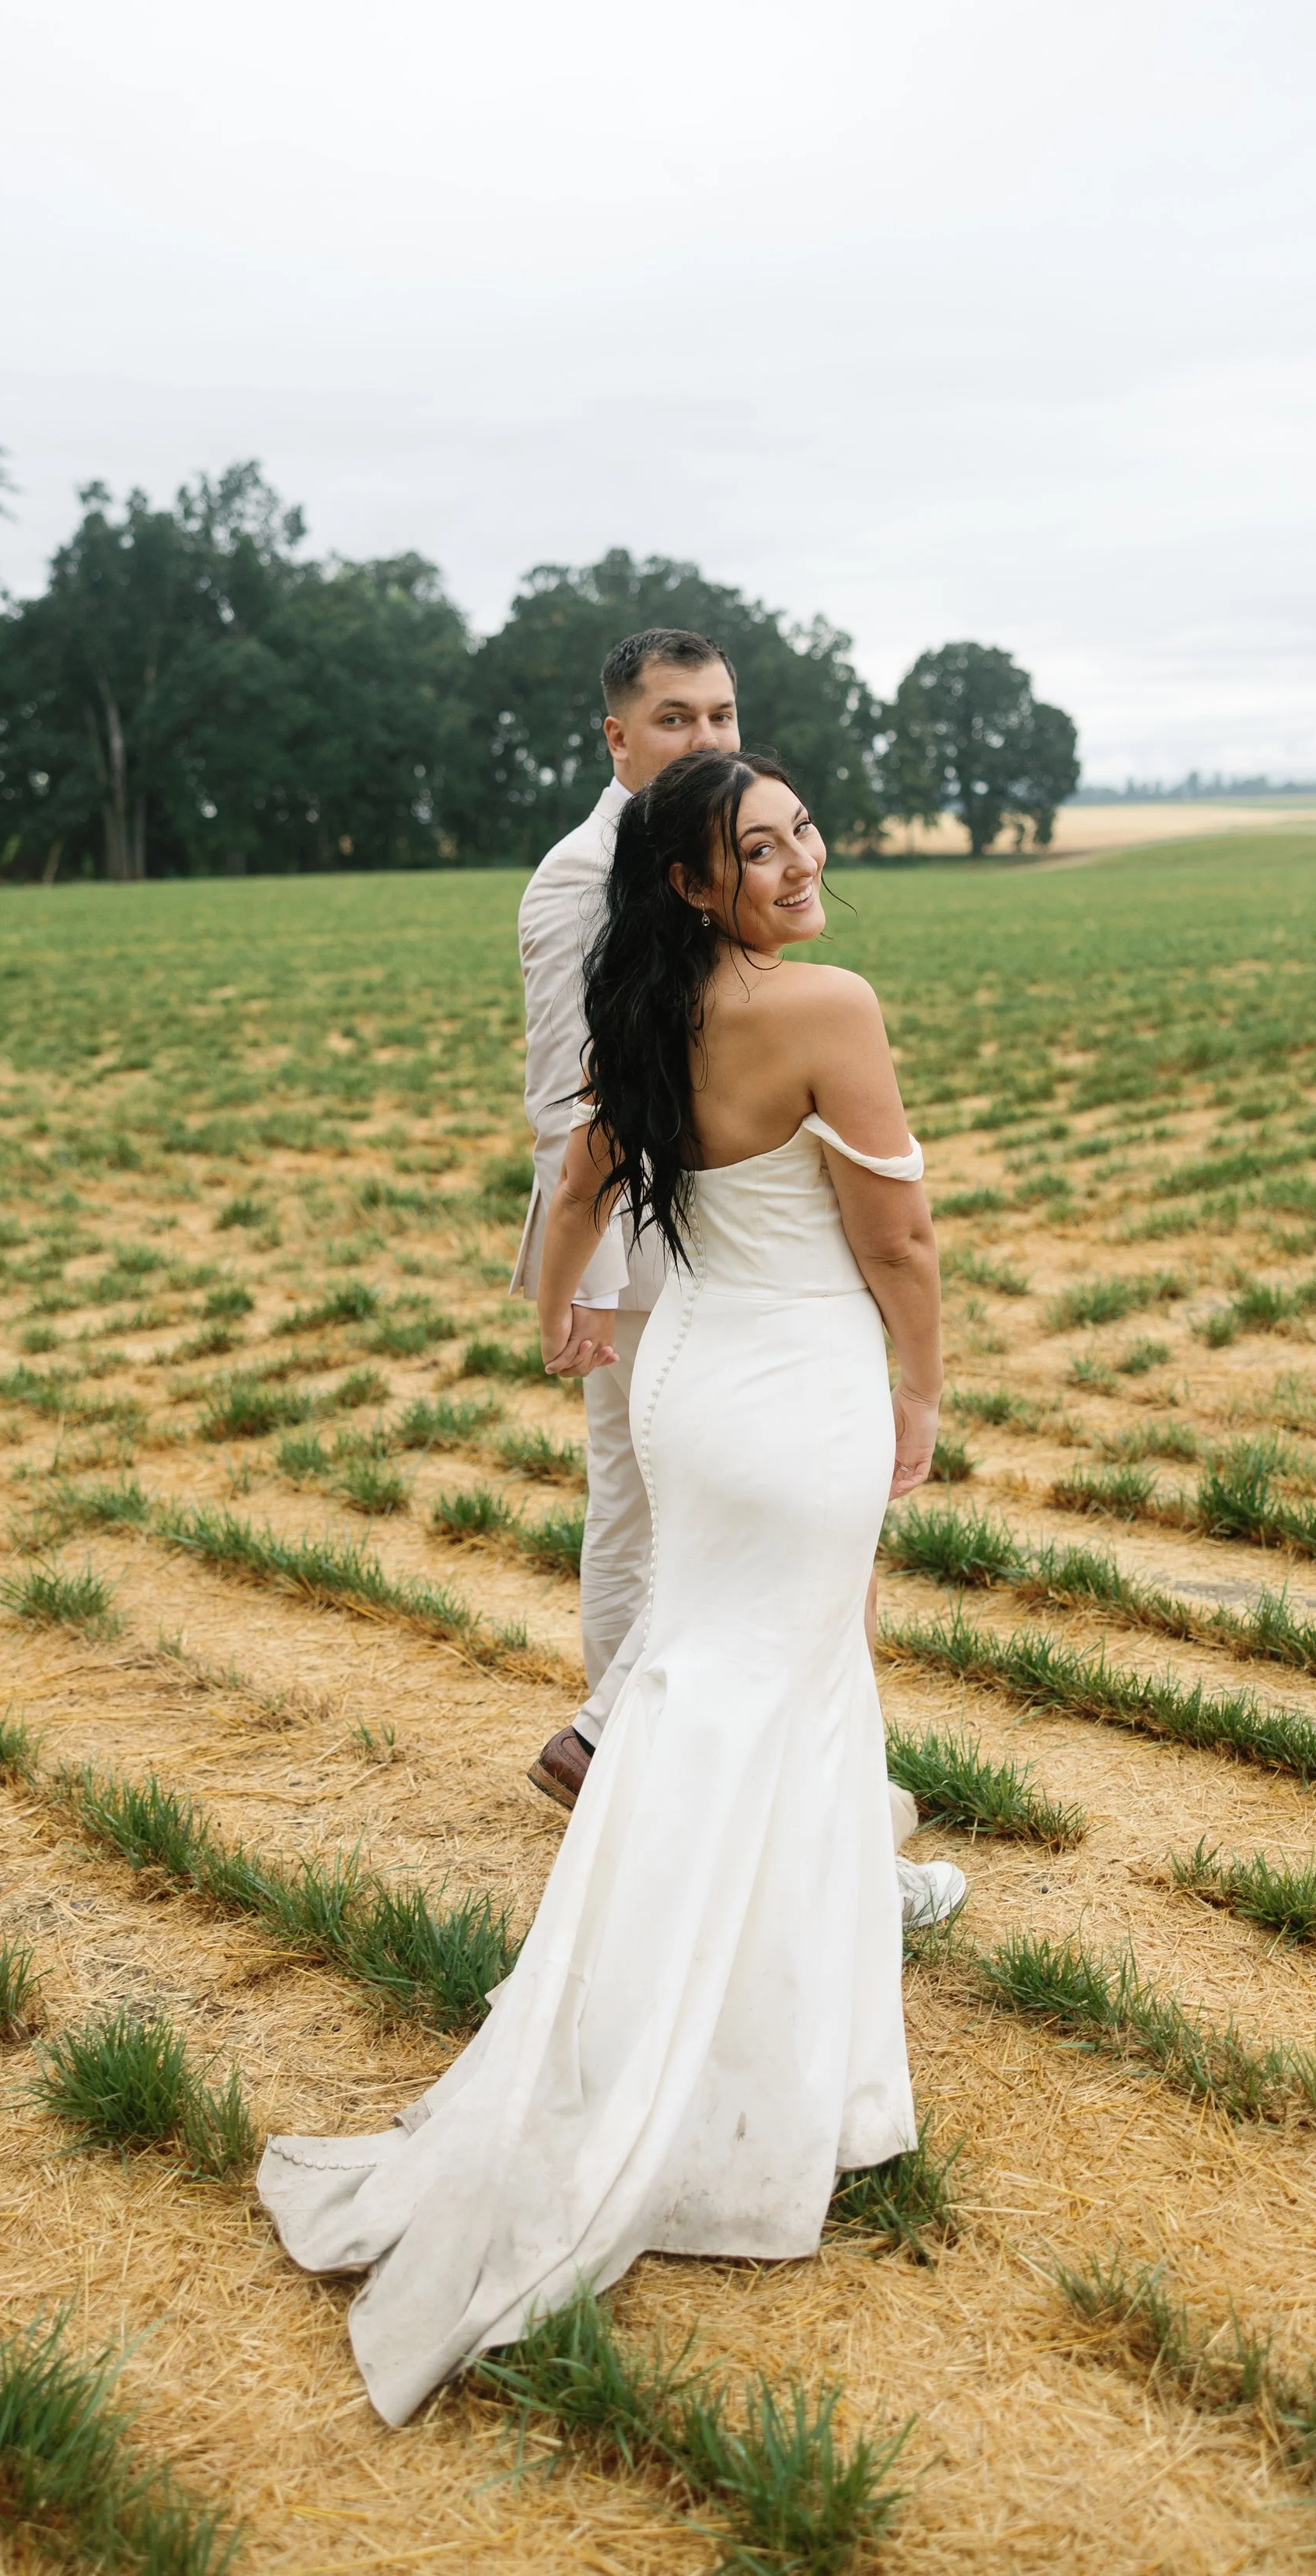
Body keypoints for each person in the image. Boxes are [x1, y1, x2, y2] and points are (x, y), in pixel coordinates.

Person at [256, 749, 952, 2426]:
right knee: (769, 1707)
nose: (796, 861)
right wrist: (919, 1405)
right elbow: (899, 1249)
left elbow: (575, 1192)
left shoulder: (633, 1007)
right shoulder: (826, 1009)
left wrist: (560, 1314)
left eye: (799, 834)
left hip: (688, 1392)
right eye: (756, 847)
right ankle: (727, 2081)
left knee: (713, 1694)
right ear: (688, 881)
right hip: (799, 1396)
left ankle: (728, 2046)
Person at [513, 627, 742, 1809]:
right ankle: (612, 1751)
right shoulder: (575, 876)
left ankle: (629, 1759)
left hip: (731, 1229)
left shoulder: (712, 847)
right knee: (648, 1504)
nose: (704, 737)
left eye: (719, 714)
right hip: (638, 1252)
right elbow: (566, 1103)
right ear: (616, 734)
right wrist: (587, 1282)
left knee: (694, 1500)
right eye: (673, 717)